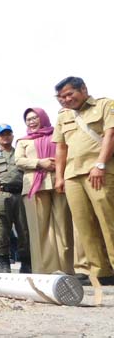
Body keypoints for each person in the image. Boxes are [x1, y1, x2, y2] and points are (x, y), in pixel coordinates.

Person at [53, 76, 114, 285]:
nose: (66, 100)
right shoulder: (63, 117)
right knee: (84, 225)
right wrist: (60, 177)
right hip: (72, 176)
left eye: (70, 94)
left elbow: (110, 135)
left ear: (84, 89)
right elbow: (60, 147)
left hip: (99, 171)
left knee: (109, 221)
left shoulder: (105, 105)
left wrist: (100, 164)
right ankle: (101, 272)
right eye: (61, 97)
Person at [15, 108, 75, 275]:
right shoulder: (22, 141)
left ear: (43, 118)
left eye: (35, 118)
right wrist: (40, 162)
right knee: (39, 229)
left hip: (59, 182)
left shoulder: (57, 135)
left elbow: (67, 152)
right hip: (35, 186)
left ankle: (67, 268)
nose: (32, 121)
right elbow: (19, 160)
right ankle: (44, 270)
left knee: (64, 225)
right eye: (28, 119)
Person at [0, 124, 30, 273]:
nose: (5, 137)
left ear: (13, 136)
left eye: (8, 134)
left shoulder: (20, 154)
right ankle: (3, 261)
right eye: (2, 135)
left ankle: (26, 262)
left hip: (20, 194)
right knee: (1, 228)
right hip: (1, 194)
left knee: (23, 228)